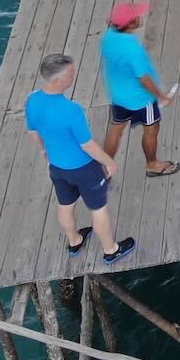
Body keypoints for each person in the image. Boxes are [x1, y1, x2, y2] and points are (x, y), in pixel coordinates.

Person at [24, 53, 134, 264]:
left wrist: (44, 152)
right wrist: (109, 162)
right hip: (84, 169)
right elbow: (88, 145)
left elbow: (33, 132)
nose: (74, 76)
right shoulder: (72, 110)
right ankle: (111, 250)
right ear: (57, 80)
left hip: (56, 167)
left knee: (65, 204)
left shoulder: (32, 100)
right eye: (70, 74)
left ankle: (74, 240)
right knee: (98, 208)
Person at [100, 2, 180, 177]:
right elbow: (144, 79)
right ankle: (152, 164)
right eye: (135, 16)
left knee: (116, 129)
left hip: (118, 96)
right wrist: (161, 97)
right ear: (130, 24)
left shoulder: (108, 37)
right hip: (141, 99)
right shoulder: (133, 50)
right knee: (151, 129)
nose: (139, 17)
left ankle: (105, 168)